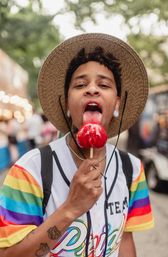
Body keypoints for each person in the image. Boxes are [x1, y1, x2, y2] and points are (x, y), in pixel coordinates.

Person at [0, 33, 154, 257]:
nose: (92, 89)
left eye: (104, 84)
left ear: (118, 103)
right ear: (67, 104)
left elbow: (125, 240)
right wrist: (71, 208)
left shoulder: (133, 170)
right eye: (80, 84)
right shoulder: (29, 171)